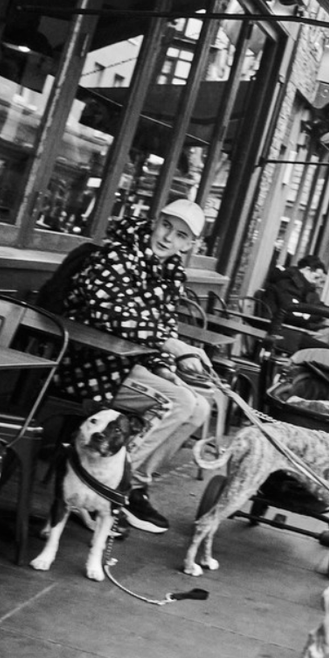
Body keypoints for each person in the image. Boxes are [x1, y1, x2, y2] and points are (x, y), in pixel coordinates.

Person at [53, 198, 214, 534]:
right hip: (88, 361)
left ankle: (133, 486)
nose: (169, 238)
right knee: (177, 402)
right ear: (155, 220)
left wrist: (165, 367)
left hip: (124, 365)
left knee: (199, 407)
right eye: (167, 226)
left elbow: (162, 330)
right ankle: (110, 491)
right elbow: (108, 313)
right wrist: (171, 346)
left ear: (190, 245)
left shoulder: (171, 273)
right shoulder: (117, 253)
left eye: (181, 235)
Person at [259, 254, 327, 334]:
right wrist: (317, 316)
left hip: (288, 331)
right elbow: (292, 315)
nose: (314, 283)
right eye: (316, 278)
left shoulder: (300, 288)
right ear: (306, 270)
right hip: (282, 332)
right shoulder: (287, 284)